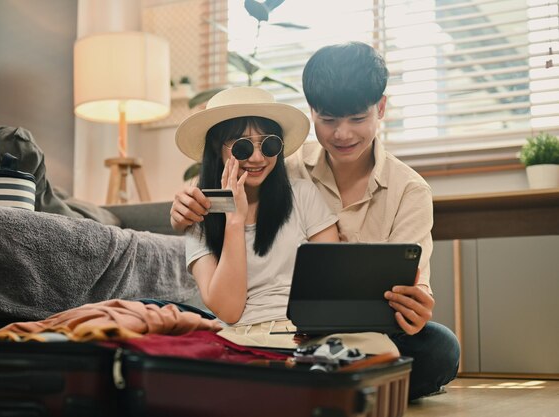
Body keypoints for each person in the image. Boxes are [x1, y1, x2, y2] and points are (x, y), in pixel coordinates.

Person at [171, 42, 460, 401]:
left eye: (357, 119)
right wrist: (194, 207)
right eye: (328, 120)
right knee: (171, 321)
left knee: (439, 348)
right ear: (313, 112)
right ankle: (337, 388)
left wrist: (415, 305)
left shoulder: (407, 191)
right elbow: (217, 196)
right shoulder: (286, 169)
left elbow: (412, 290)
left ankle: (308, 385)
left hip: (348, 327)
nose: (342, 134)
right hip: (260, 329)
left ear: (380, 107)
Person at [174, 86, 343, 347]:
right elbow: (229, 310)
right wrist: (234, 219)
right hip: (238, 338)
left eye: (269, 144)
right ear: (217, 148)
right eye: (242, 147)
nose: (257, 157)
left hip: (302, 334)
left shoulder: (303, 195)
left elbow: (332, 284)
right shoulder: (199, 213)